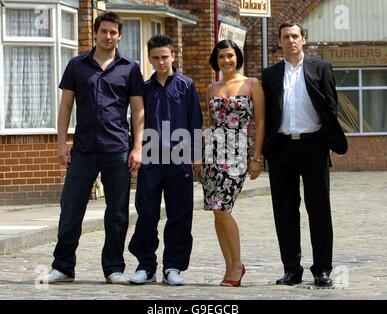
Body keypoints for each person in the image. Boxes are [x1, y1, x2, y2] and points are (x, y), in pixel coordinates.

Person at [42, 12, 145, 285]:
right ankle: (63, 266)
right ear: (96, 33)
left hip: (118, 148)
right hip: (83, 149)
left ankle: (113, 268)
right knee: (71, 208)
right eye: (104, 31)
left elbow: (138, 111)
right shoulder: (77, 65)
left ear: (119, 36)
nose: (108, 36)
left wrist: (137, 147)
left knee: (118, 212)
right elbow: (65, 107)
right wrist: (61, 143)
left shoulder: (130, 68)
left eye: (113, 32)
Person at [261, 21, 348, 287]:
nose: (291, 40)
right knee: (285, 212)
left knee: (319, 210)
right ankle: (291, 269)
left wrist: (327, 141)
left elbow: (330, 106)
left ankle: (322, 269)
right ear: (279, 41)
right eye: (285, 36)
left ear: (304, 39)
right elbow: (269, 115)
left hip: (314, 146)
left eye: (295, 36)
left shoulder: (320, 68)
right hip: (282, 148)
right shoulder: (271, 74)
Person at [128, 34, 202, 286]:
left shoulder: (186, 85)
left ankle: (173, 266)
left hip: (179, 160)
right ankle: (145, 266)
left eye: (165, 57)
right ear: (149, 59)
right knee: (146, 214)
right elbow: (135, 122)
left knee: (180, 215)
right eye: (155, 58)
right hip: (150, 161)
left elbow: (195, 122)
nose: (161, 62)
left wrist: (197, 157)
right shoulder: (144, 90)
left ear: (173, 56)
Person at [201, 40, 265, 287]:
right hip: (212, 153)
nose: (226, 61)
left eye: (230, 56)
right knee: (216, 212)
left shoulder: (252, 84)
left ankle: (237, 265)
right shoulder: (211, 88)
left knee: (223, 208)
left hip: (237, 153)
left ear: (237, 57)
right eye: (221, 57)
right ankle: (229, 265)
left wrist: (256, 158)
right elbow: (209, 123)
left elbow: (260, 123)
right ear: (216, 61)